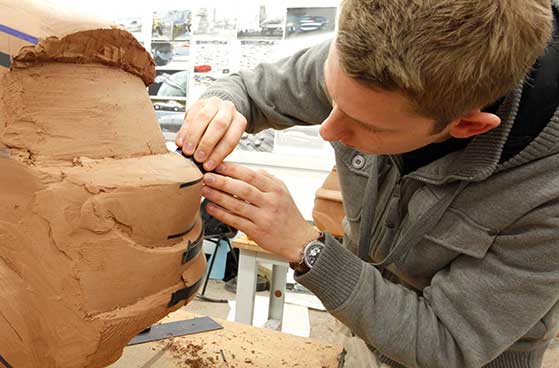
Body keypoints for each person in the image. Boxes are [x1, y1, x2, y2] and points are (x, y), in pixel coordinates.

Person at [176, 0, 559, 367]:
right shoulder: (372, 58)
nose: (328, 130)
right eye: (331, 97)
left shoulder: (547, 191)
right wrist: (222, 104)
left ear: (466, 126)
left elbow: (444, 343)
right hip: (356, 329)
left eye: (368, 126)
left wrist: (306, 247)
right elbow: (251, 90)